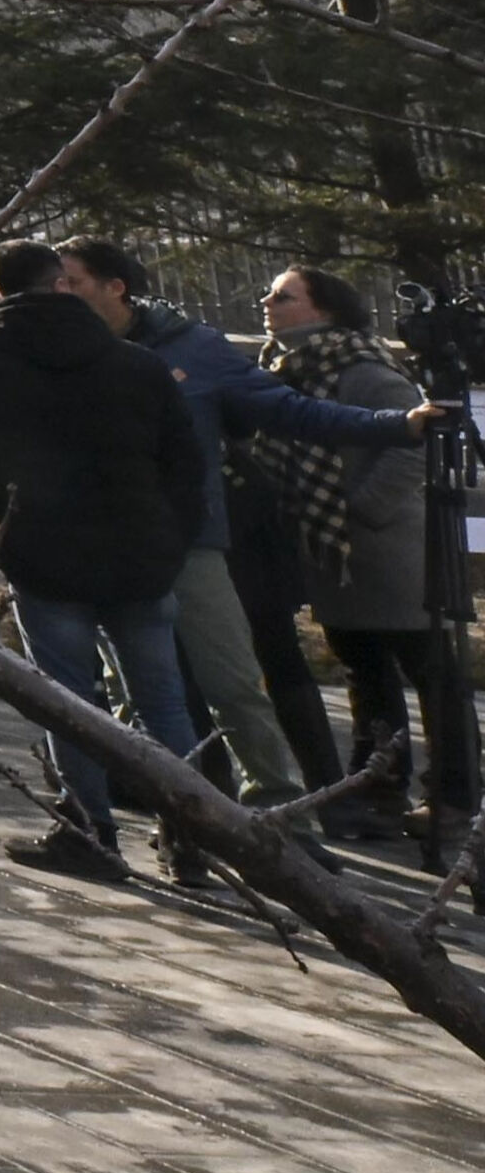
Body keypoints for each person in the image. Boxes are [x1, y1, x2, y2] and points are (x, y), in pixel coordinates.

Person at [73, 236, 412, 826]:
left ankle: (281, 816)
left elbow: (286, 411)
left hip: (198, 539)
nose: (59, 294)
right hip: (104, 546)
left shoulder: (195, 349)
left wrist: (395, 426)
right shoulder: (59, 348)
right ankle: (179, 819)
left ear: (114, 286)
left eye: (71, 282)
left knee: (238, 681)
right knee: (138, 694)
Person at [0, 235, 209, 887]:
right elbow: (185, 463)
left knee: (67, 700)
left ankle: (89, 832)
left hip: (46, 553)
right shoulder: (137, 362)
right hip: (141, 553)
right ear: (60, 281)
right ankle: (193, 835)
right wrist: (174, 540)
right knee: (163, 702)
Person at [242, 265, 436, 840]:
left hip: (385, 550)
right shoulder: (282, 370)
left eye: (283, 295)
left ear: (323, 310)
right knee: (365, 670)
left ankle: (450, 794)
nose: (267, 301)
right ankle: (378, 782)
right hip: (335, 554)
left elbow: (414, 445)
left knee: (427, 672)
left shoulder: (365, 370)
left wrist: (359, 508)